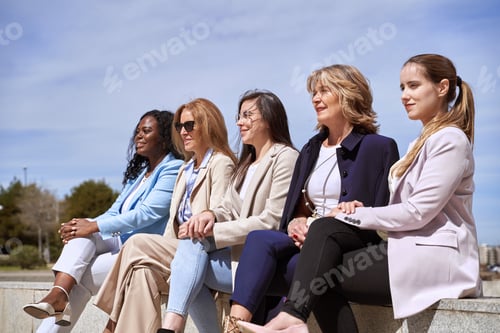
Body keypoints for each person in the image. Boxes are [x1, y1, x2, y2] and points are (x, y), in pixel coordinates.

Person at [238, 53, 482, 333]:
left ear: (442, 88)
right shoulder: (422, 141)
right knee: (314, 270)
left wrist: (352, 214)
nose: (405, 95)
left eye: (413, 86)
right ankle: (292, 318)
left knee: (316, 267)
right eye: (402, 87)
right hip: (407, 251)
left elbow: (417, 211)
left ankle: (293, 317)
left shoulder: (450, 140)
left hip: (438, 262)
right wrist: (347, 211)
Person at [223, 64, 400, 333]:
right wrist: (296, 222)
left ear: (349, 94)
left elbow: (384, 213)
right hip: (307, 243)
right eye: (313, 93)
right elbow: (299, 209)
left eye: (324, 90)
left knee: (311, 271)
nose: (315, 98)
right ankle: (234, 327)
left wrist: (344, 215)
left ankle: (290, 317)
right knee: (259, 239)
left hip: (353, 246)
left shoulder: (379, 147)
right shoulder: (311, 148)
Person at [23, 110, 184, 332]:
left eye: (146, 131)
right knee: (83, 233)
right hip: (119, 242)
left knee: (80, 278)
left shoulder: (173, 168)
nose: (138, 136)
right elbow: (113, 212)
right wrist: (81, 227)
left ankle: (59, 298)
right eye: (137, 131)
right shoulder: (141, 174)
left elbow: (147, 213)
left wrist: (94, 226)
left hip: (141, 252)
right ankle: (58, 294)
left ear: (165, 138)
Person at [156, 90, 299, 333]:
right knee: (189, 264)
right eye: (239, 115)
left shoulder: (285, 157)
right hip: (234, 258)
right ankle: (173, 328)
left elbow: (272, 220)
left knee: (190, 255)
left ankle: (171, 327)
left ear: (268, 118)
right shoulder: (246, 164)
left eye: (247, 115)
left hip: (261, 265)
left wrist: (213, 230)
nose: (239, 122)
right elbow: (227, 208)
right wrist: (210, 215)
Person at [94, 97, 238, 332]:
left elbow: (223, 213)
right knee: (142, 272)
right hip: (180, 251)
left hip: (209, 251)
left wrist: (204, 218)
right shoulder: (185, 169)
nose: (183, 132)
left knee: (137, 242)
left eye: (190, 125)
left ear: (208, 125)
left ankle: (111, 322)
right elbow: (172, 226)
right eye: (180, 126)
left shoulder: (221, 163)